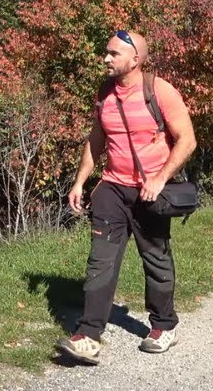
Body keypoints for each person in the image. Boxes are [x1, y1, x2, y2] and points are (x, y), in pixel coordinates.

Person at [55, 29, 197, 365]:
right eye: (106, 52)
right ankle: (88, 335)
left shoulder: (159, 91)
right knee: (100, 261)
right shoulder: (104, 93)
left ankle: (164, 326)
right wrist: (79, 183)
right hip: (112, 190)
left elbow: (187, 140)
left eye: (113, 54)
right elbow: (95, 142)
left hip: (151, 192)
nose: (105, 58)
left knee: (156, 259)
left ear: (135, 60)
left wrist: (160, 179)